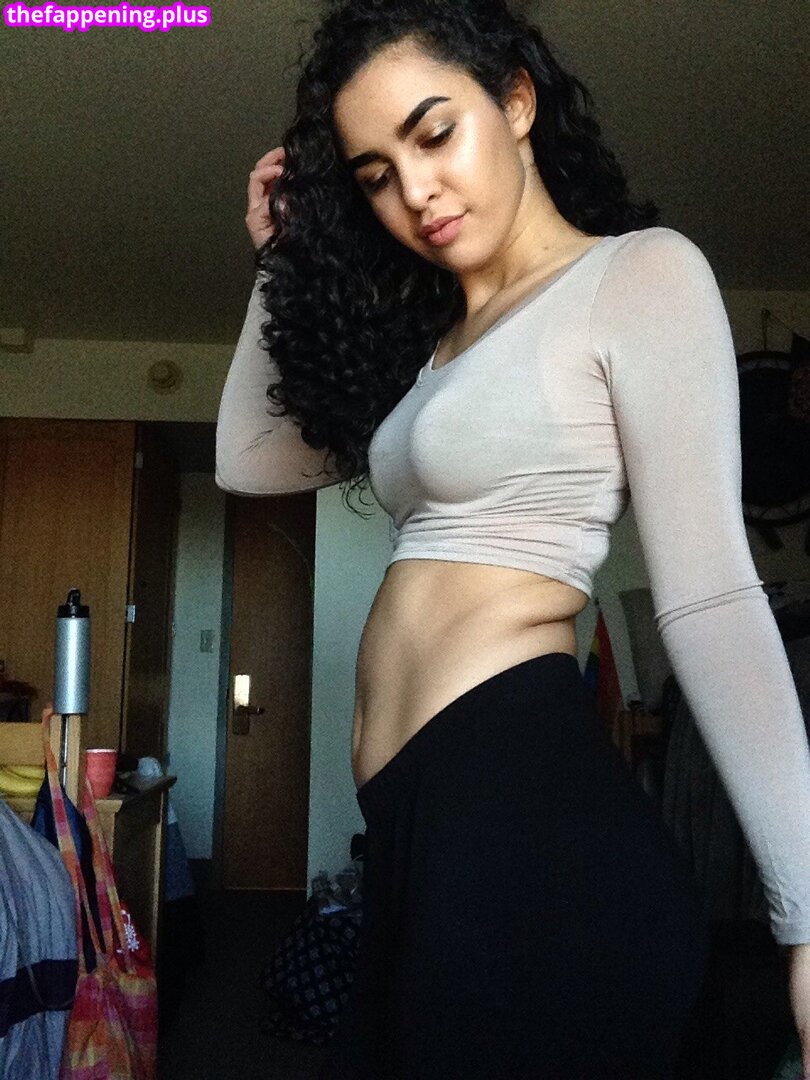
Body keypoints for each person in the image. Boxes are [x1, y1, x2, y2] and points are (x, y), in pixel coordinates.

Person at [216, 1, 810, 1076]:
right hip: (417, 828)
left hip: (524, 816)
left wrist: (806, 920)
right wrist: (282, 265)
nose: (416, 191)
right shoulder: (435, 350)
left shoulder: (634, 276)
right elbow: (252, 462)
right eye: (376, 174)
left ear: (519, 101)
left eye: (435, 133)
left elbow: (712, 598)